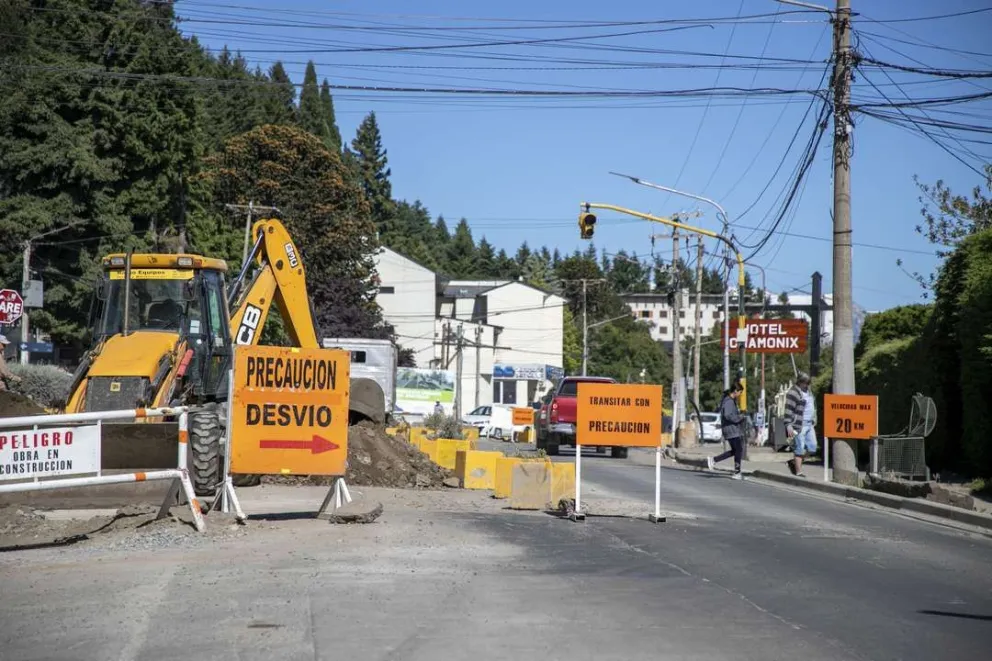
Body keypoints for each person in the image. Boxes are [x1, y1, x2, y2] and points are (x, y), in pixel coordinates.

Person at [707, 381, 745, 480]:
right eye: (740, 392)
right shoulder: (729, 401)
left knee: (737, 450)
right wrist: (739, 418)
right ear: (736, 391)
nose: (740, 395)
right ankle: (737, 472)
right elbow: (727, 415)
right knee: (738, 450)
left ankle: (714, 460)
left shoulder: (730, 401)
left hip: (731, 429)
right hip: (731, 429)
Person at [784, 372, 817, 478]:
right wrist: (788, 424)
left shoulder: (809, 392)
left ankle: (793, 462)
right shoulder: (793, 393)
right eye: (805, 383)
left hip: (809, 423)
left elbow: (812, 406)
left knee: (813, 447)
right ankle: (798, 472)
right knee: (800, 448)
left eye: (808, 383)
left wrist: (814, 418)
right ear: (800, 382)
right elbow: (788, 409)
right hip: (799, 424)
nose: (807, 385)